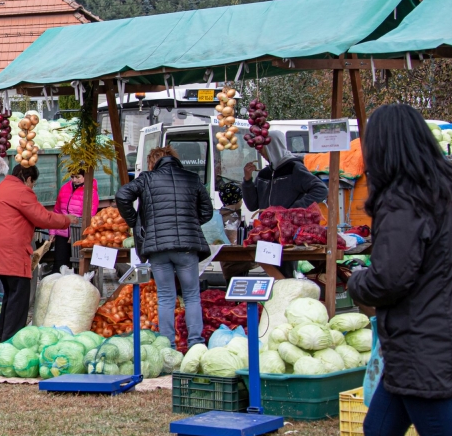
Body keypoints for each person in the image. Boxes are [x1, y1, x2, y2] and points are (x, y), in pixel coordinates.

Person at [347, 104, 452, 436]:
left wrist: (357, 280)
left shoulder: (404, 201)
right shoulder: (444, 195)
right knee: (379, 433)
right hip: (429, 335)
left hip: (422, 342)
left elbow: (390, 278)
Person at [115, 146, 213, 349]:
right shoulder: (192, 178)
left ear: (152, 163)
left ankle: (168, 346)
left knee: (166, 296)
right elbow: (207, 211)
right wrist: (191, 222)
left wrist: (136, 222)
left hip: (158, 248)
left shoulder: (147, 179)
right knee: (192, 295)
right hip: (187, 247)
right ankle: (196, 343)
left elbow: (122, 196)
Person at [0, 164, 76, 342]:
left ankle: (2, 338)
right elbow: (42, 216)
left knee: (10, 295)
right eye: (33, 183)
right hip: (12, 251)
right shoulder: (20, 191)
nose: (33, 187)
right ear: (28, 178)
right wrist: (66, 220)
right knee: (19, 297)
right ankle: (11, 341)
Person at [233, 129, 328, 280]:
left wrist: (292, 210)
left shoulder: (294, 169)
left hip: (287, 233)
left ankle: (289, 299)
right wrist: (247, 180)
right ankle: (279, 299)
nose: (262, 153)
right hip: (267, 233)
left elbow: (320, 189)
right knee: (272, 274)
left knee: (286, 273)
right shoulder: (264, 173)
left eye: (263, 149)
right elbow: (252, 205)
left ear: (274, 147)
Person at [50, 170, 99, 268]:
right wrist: (52, 232)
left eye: (78, 177)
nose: (74, 180)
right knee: (59, 264)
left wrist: (77, 234)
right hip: (62, 232)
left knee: (77, 265)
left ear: (85, 177)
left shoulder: (91, 192)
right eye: (72, 177)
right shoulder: (64, 188)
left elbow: (90, 216)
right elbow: (57, 212)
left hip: (78, 235)